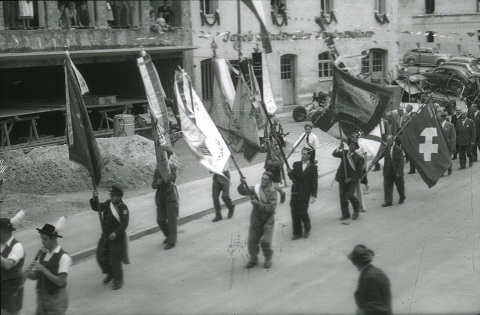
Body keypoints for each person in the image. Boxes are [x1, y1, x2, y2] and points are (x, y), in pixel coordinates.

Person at [90, 184, 130, 290]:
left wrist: (116, 233)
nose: (111, 197)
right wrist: (94, 198)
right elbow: (96, 207)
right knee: (100, 256)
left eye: (113, 195)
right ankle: (110, 273)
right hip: (106, 235)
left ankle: (118, 280)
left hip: (116, 238)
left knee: (115, 260)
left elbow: (124, 223)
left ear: (119, 197)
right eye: (110, 194)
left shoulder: (123, 207)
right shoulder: (108, 203)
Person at [27, 222, 72, 315]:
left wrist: (43, 269)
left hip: (56, 298)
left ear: (54, 238)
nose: (42, 242)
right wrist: (29, 274)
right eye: (41, 239)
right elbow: (38, 275)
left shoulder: (64, 257)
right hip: (43, 296)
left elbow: (60, 282)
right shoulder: (44, 252)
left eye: (45, 239)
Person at [238, 171, 278, 269]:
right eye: (262, 178)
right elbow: (243, 191)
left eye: (265, 179)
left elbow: (271, 208)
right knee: (252, 240)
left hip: (268, 219)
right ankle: (253, 259)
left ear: (270, 181)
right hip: (256, 218)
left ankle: (268, 258)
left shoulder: (273, 192)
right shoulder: (256, 188)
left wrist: (258, 204)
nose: (263, 180)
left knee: (265, 242)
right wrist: (242, 183)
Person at [348, 245, 392, 315]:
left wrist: (362, 312)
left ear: (355, 262)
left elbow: (377, 308)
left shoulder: (368, 277)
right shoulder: (378, 272)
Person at [287, 147, 318, 240]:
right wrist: (289, 172)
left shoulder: (313, 167)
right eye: (302, 153)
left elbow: (314, 182)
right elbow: (293, 177)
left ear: (309, 155)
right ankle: (297, 233)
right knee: (294, 212)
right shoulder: (296, 165)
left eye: (305, 154)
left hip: (305, 192)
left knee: (302, 212)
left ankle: (307, 228)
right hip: (295, 191)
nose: (303, 155)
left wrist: (314, 195)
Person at [152, 148, 179, 250]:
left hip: (169, 196)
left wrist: (164, 177)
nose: (162, 158)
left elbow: (171, 180)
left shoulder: (172, 168)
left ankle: (172, 241)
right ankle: (169, 235)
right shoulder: (157, 169)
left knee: (171, 220)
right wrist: (156, 183)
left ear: (168, 157)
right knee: (160, 220)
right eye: (161, 156)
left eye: (164, 156)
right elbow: (153, 185)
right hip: (160, 196)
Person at [370, 135, 406, 207]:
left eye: (389, 140)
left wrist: (399, 172)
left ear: (393, 140)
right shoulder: (385, 149)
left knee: (400, 186)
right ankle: (388, 201)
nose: (387, 142)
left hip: (396, 171)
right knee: (387, 186)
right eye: (387, 141)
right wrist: (372, 163)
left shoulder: (398, 149)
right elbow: (378, 156)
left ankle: (402, 197)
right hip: (388, 170)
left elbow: (401, 161)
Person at [332, 138, 364, 220]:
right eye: (350, 144)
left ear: (356, 148)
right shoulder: (344, 152)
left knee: (350, 195)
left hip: (352, 180)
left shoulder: (359, 158)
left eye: (354, 145)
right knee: (342, 196)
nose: (351, 146)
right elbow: (334, 154)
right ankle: (345, 214)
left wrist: (350, 179)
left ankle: (356, 210)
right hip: (342, 178)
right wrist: (339, 147)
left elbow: (360, 173)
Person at [1, 216, 25, 315]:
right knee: (3, 311)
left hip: (13, 284)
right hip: (2, 284)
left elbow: (8, 265)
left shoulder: (17, 246)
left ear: (5, 232)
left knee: (14, 312)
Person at [264, 138, 286, 203]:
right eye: (274, 140)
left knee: (276, 187)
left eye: (277, 141)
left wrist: (272, 163)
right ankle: (270, 200)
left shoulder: (280, 150)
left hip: (276, 170)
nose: (275, 142)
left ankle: (282, 193)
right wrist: (266, 142)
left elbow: (281, 162)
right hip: (268, 169)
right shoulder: (270, 147)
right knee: (268, 185)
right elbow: (263, 149)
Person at [438, 111, 456, 175]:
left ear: (443, 117)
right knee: (440, 158)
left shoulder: (450, 125)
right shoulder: (437, 125)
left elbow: (453, 137)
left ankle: (449, 167)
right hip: (439, 145)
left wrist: (452, 146)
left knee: (447, 158)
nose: (438, 117)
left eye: (439, 116)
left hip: (447, 145)